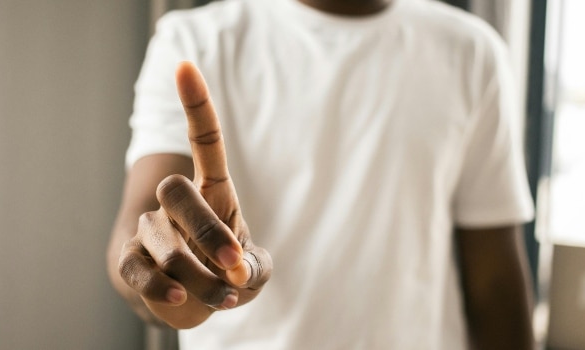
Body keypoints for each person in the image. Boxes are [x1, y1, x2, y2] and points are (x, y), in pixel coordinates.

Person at [107, 0, 537, 348]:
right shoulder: (195, 41)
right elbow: (141, 226)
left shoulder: (471, 51)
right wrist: (168, 278)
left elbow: (496, 284)